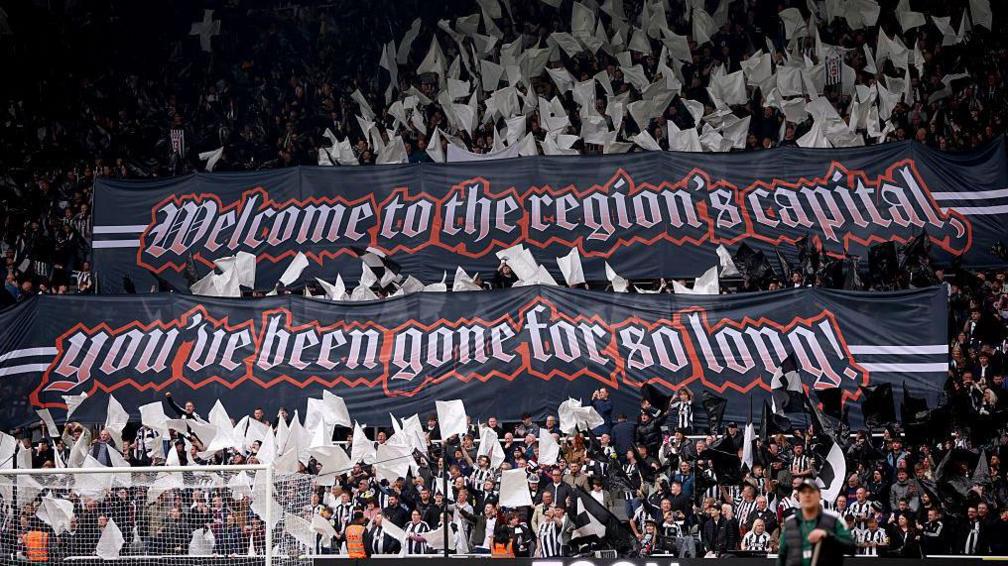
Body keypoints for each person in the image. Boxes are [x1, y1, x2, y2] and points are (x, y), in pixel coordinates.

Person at [777, 479, 854, 566]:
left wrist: (827, 536)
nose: (807, 495)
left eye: (811, 491)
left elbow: (851, 547)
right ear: (798, 496)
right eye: (803, 492)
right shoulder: (790, 523)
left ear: (819, 495)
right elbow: (782, 557)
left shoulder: (834, 519)